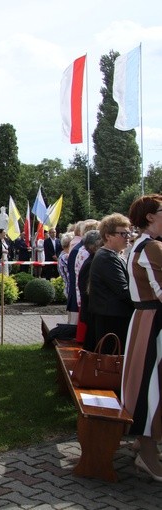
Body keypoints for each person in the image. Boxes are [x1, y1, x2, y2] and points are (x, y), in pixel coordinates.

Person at [122, 194, 162, 481]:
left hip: (146, 320)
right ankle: (147, 451)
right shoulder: (152, 246)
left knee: (147, 382)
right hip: (154, 322)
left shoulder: (141, 244)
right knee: (151, 385)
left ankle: (142, 443)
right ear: (150, 216)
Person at [88, 213, 133, 352]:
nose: (128, 237)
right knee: (111, 362)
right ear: (108, 236)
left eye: (129, 233)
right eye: (123, 234)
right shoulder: (107, 257)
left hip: (113, 316)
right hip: (112, 320)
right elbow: (123, 291)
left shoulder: (112, 255)